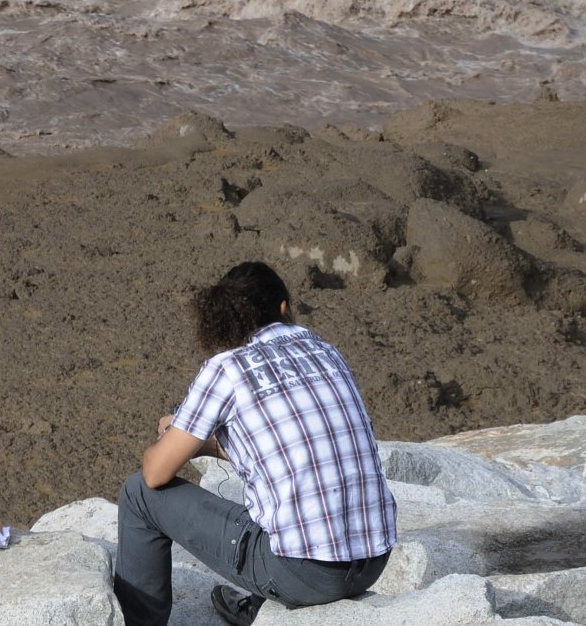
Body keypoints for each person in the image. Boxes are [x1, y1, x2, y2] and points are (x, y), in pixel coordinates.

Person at [113, 261, 397, 626]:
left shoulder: (227, 366)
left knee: (138, 494)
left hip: (306, 575)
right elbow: (283, 452)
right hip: (372, 562)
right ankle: (260, 606)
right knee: (278, 507)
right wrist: (206, 446)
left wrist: (173, 433)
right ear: (282, 308)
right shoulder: (326, 350)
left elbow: (155, 473)